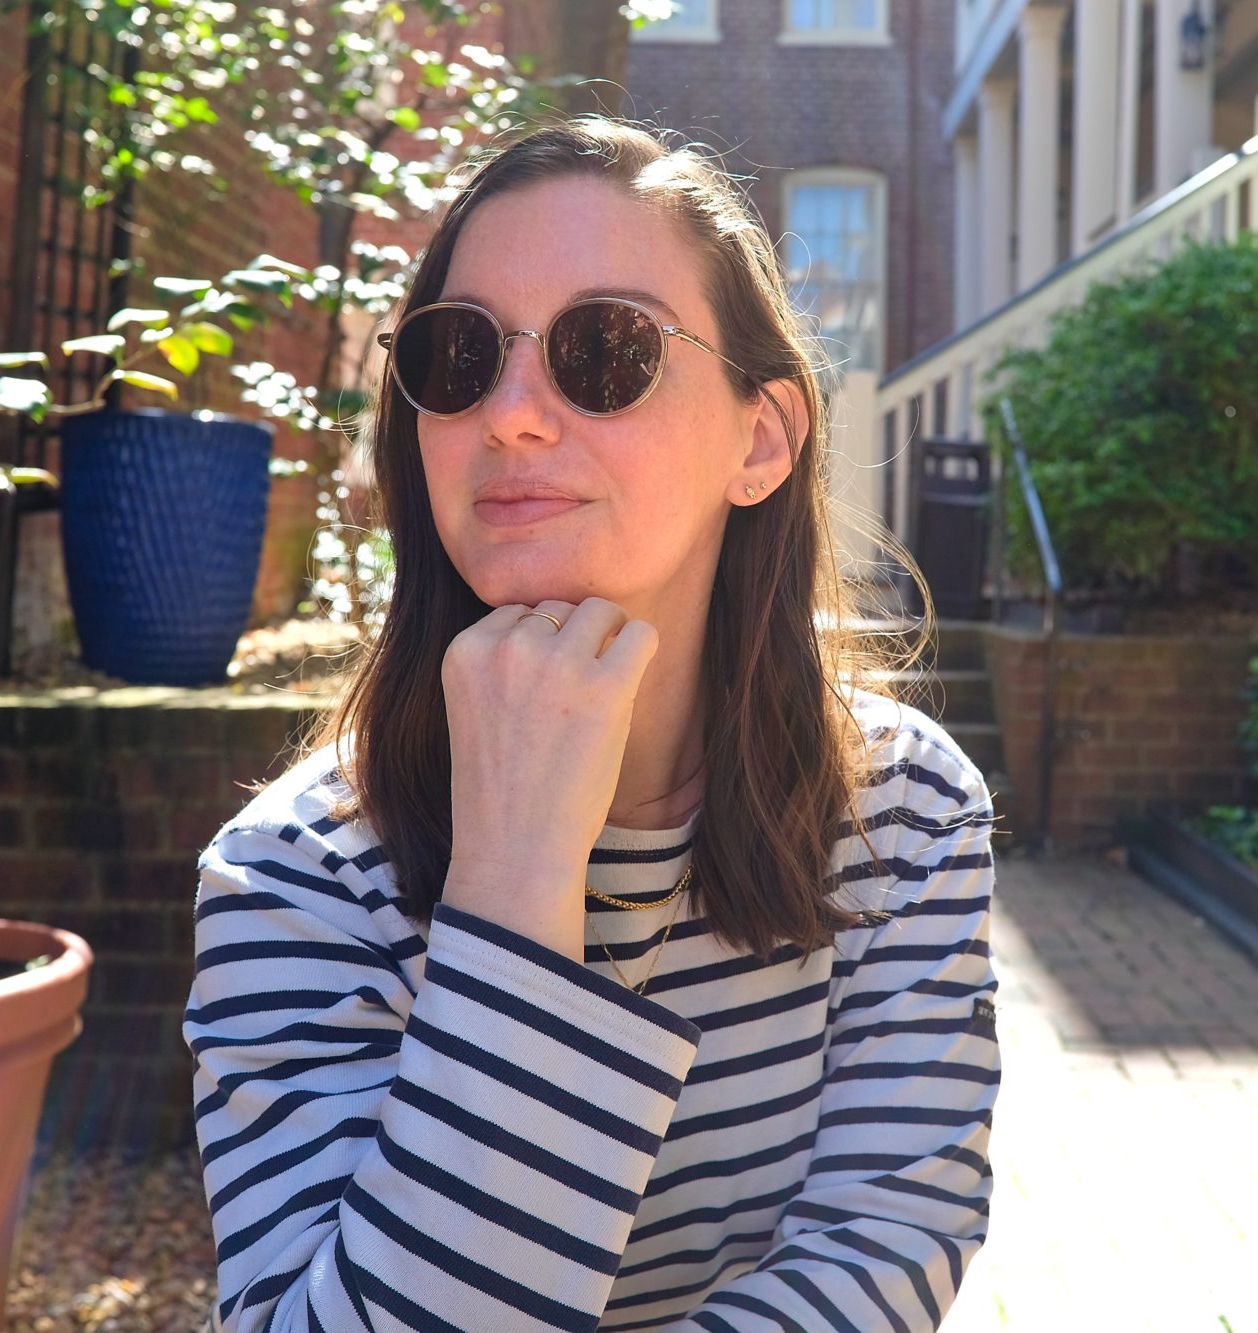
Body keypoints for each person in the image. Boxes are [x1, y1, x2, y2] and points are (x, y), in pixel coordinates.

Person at [183, 114, 1000, 1333]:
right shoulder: (293, 874)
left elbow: (882, 1251)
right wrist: (515, 879)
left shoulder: (904, 812)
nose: (509, 414)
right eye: (458, 357)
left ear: (761, 437)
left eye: (603, 349)